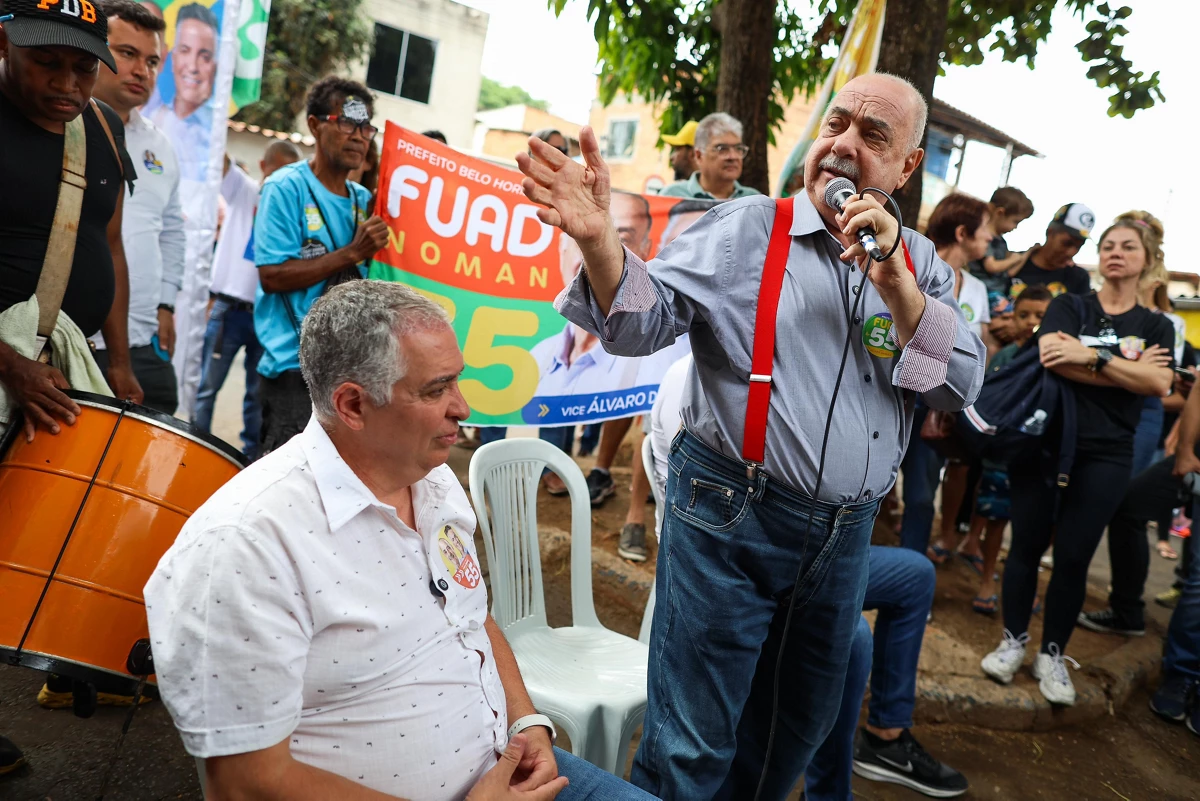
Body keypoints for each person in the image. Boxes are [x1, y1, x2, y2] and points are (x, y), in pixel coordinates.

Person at [518, 72, 985, 799]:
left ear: (907, 166)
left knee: (787, 738)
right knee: (692, 746)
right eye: (836, 125)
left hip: (844, 535)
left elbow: (954, 387)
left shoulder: (922, 266)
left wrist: (895, 282)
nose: (843, 146)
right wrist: (598, 242)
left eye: (873, 135)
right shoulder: (745, 229)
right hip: (730, 512)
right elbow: (639, 321)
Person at [144, 280, 655, 801]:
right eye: (435, 390)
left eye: (456, 381)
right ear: (353, 405)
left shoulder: (429, 476)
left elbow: (470, 617)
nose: (463, 406)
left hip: (508, 766)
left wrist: (527, 721)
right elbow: (243, 783)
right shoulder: (244, 545)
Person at [982, 216, 1175, 706]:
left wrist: (1089, 358)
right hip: (1046, 442)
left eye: (1127, 247)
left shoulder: (1155, 325)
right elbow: (1051, 354)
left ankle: (1052, 654)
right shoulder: (1070, 304)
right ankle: (1013, 641)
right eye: (1108, 245)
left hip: (1108, 454)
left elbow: (1159, 385)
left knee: (1072, 556)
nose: (1115, 253)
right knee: (1025, 545)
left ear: (1146, 259)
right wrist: (1126, 370)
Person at [1, 0, 144, 446]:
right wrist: (10, 365)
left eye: (85, 68)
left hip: (65, 372)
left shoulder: (104, 126)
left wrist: (119, 362)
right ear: (3, 44)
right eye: (46, 62)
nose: (66, 84)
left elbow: (111, 243)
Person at [252, 76, 388, 456]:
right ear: (314, 125)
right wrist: (351, 252)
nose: (359, 136)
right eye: (347, 123)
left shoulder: (364, 199)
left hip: (351, 372)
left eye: (366, 127)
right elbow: (271, 276)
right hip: (293, 371)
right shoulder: (284, 188)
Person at [89, 0, 184, 415]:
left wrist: (166, 304)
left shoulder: (160, 146)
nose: (142, 71)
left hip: (143, 341)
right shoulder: (60, 123)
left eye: (152, 61)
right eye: (127, 54)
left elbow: (172, 231)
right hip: (77, 340)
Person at [192, 142, 302, 458]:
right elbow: (217, 152)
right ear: (263, 166)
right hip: (229, 310)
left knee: (256, 392)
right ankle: (196, 448)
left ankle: (249, 458)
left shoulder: (290, 207)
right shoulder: (245, 189)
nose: (282, 177)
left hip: (266, 314)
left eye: (289, 172)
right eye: (277, 168)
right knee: (207, 387)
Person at [957, 285, 1053, 615]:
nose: (1031, 323)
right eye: (1023, 315)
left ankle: (1027, 586)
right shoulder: (1008, 356)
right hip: (1002, 456)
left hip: (1039, 458)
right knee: (995, 519)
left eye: (1041, 316)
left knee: (1035, 529)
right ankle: (987, 580)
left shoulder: (1056, 358)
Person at [921, 194, 992, 565]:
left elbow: (977, 349)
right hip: (899, 394)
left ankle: (912, 565)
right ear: (963, 233)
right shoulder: (910, 263)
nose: (990, 242)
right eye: (987, 234)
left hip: (943, 404)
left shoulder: (977, 289)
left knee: (921, 493)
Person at [143, 3, 216, 182]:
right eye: (185, 51)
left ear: (215, 66)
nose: (192, 67)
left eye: (204, 56)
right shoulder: (146, 120)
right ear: (172, 57)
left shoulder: (214, 141)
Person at [659, 112, 760, 200]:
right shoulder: (672, 196)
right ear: (698, 156)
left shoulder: (754, 200)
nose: (733, 156)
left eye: (738, 148)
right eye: (722, 149)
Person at [1007, 203, 1095, 298]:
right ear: (1050, 232)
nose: (1071, 252)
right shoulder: (1012, 263)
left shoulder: (1078, 278)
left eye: (1079, 246)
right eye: (1067, 243)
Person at [966, 186, 1034, 297]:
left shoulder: (1001, 242)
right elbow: (992, 266)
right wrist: (1012, 259)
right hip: (983, 291)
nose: (1015, 227)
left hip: (998, 293)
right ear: (1000, 213)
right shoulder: (985, 237)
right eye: (1015, 221)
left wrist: (1028, 253)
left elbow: (1009, 272)